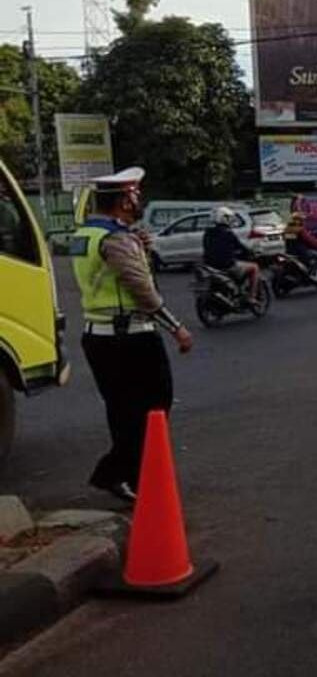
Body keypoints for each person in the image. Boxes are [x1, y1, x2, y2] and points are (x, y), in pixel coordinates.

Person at [70, 167, 193, 502]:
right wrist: (176, 327)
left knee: (122, 410)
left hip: (98, 336)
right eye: (135, 195)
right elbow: (142, 289)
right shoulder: (116, 239)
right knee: (154, 407)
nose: (138, 201)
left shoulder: (87, 234)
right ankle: (123, 474)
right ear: (124, 200)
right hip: (131, 338)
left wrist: (139, 246)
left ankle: (122, 474)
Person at [202, 207, 260, 300]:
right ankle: (252, 297)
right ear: (224, 218)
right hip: (227, 265)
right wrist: (251, 252)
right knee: (254, 267)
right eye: (229, 218)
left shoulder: (208, 233)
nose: (230, 221)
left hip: (210, 266)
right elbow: (241, 247)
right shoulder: (228, 233)